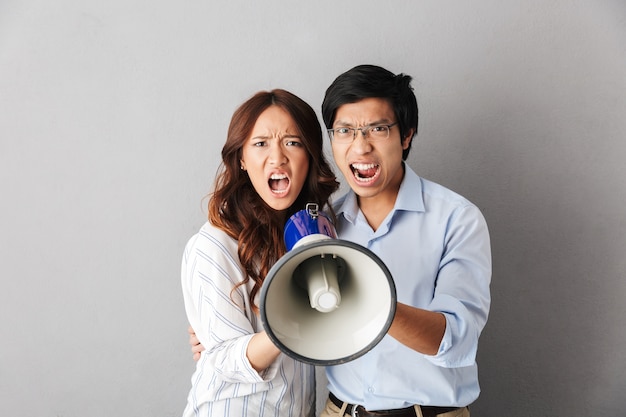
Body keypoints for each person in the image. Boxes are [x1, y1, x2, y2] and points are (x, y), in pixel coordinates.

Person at [189, 65, 492, 417]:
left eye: (377, 129)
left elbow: (458, 340)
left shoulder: (456, 219)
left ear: (406, 136)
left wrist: (373, 304)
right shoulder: (318, 223)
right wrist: (215, 338)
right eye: (345, 131)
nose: (360, 146)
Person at [180, 89, 339, 417]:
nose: (278, 158)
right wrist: (291, 323)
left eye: (292, 142)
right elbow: (223, 360)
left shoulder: (316, 234)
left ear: (309, 156)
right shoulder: (214, 245)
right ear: (241, 158)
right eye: (261, 143)